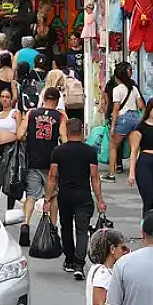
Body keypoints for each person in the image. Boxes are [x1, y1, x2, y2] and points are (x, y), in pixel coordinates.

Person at [48, 119, 107, 279]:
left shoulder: (58, 151)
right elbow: (95, 177)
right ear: (81, 131)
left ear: (67, 132)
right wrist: (100, 199)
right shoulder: (89, 151)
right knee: (82, 230)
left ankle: (69, 260)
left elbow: (52, 176)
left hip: (64, 195)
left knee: (66, 228)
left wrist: (47, 199)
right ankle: (79, 265)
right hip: (83, 196)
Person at [17, 86, 67, 247]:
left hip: (33, 160)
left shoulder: (31, 114)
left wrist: (30, 139)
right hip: (52, 163)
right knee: (53, 196)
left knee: (31, 196)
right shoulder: (60, 116)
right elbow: (64, 139)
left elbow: (19, 134)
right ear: (57, 101)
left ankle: (25, 224)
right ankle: (52, 228)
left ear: (44, 99)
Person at [127, 97, 153, 214]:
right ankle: (146, 223)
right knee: (148, 199)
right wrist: (131, 173)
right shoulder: (140, 128)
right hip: (145, 163)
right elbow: (134, 151)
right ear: (149, 110)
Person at [105, 63, 144, 181]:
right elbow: (141, 106)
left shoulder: (117, 90)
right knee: (134, 148)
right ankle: (135, 172)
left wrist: (112, 126)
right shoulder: (134, 88)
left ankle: (111, 174)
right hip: (135, 118)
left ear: (117, 78)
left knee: (113, 146)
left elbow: (116, 109)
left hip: (123, 119)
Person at [0, 88, 22, 210]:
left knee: (10, 181)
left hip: (11, 149)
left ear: (11, 99)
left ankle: (10, 210)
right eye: (2, 97)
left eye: (7, 97)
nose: (4, 99)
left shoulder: (15, 113)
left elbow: (19, 133)